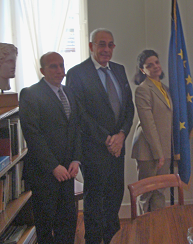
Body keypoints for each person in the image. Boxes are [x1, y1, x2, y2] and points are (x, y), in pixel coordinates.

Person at [66, 28, 134, 244]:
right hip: (94, 148)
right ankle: (94, 240)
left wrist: (122, 135)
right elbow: (79, 113)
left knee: (115, 197)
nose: (106, 49)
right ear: (91, 46)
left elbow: (128, 108)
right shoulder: (77, 73)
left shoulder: (120, 70)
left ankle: (113, 239)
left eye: (110, 44)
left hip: (118, 148)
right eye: (101, 44)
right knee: (95, 201)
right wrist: (107, 138)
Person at [19, 52, 81, 244]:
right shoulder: (30, 94)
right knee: (46, 227)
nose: (59, 70)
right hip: (44, 174)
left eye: (61, 65)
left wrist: (76, 159)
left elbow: (77, 128)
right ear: (42, 70)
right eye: (53, 66)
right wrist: (54, 166)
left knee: (68, 224)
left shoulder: (69, 92)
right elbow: (33, 135)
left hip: (68, 171)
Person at [131, 49, 172, 215]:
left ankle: (158, 230)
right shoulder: (143, 89)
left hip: (164, 148)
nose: (155, 66)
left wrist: (164, 152)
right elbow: (148, 124)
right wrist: (158, 153)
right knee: (146, 194)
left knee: (160, 193)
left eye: (157, 62)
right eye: (150, 65)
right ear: (143, 70)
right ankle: (144, 233)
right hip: (148, 151)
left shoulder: (165, 88)